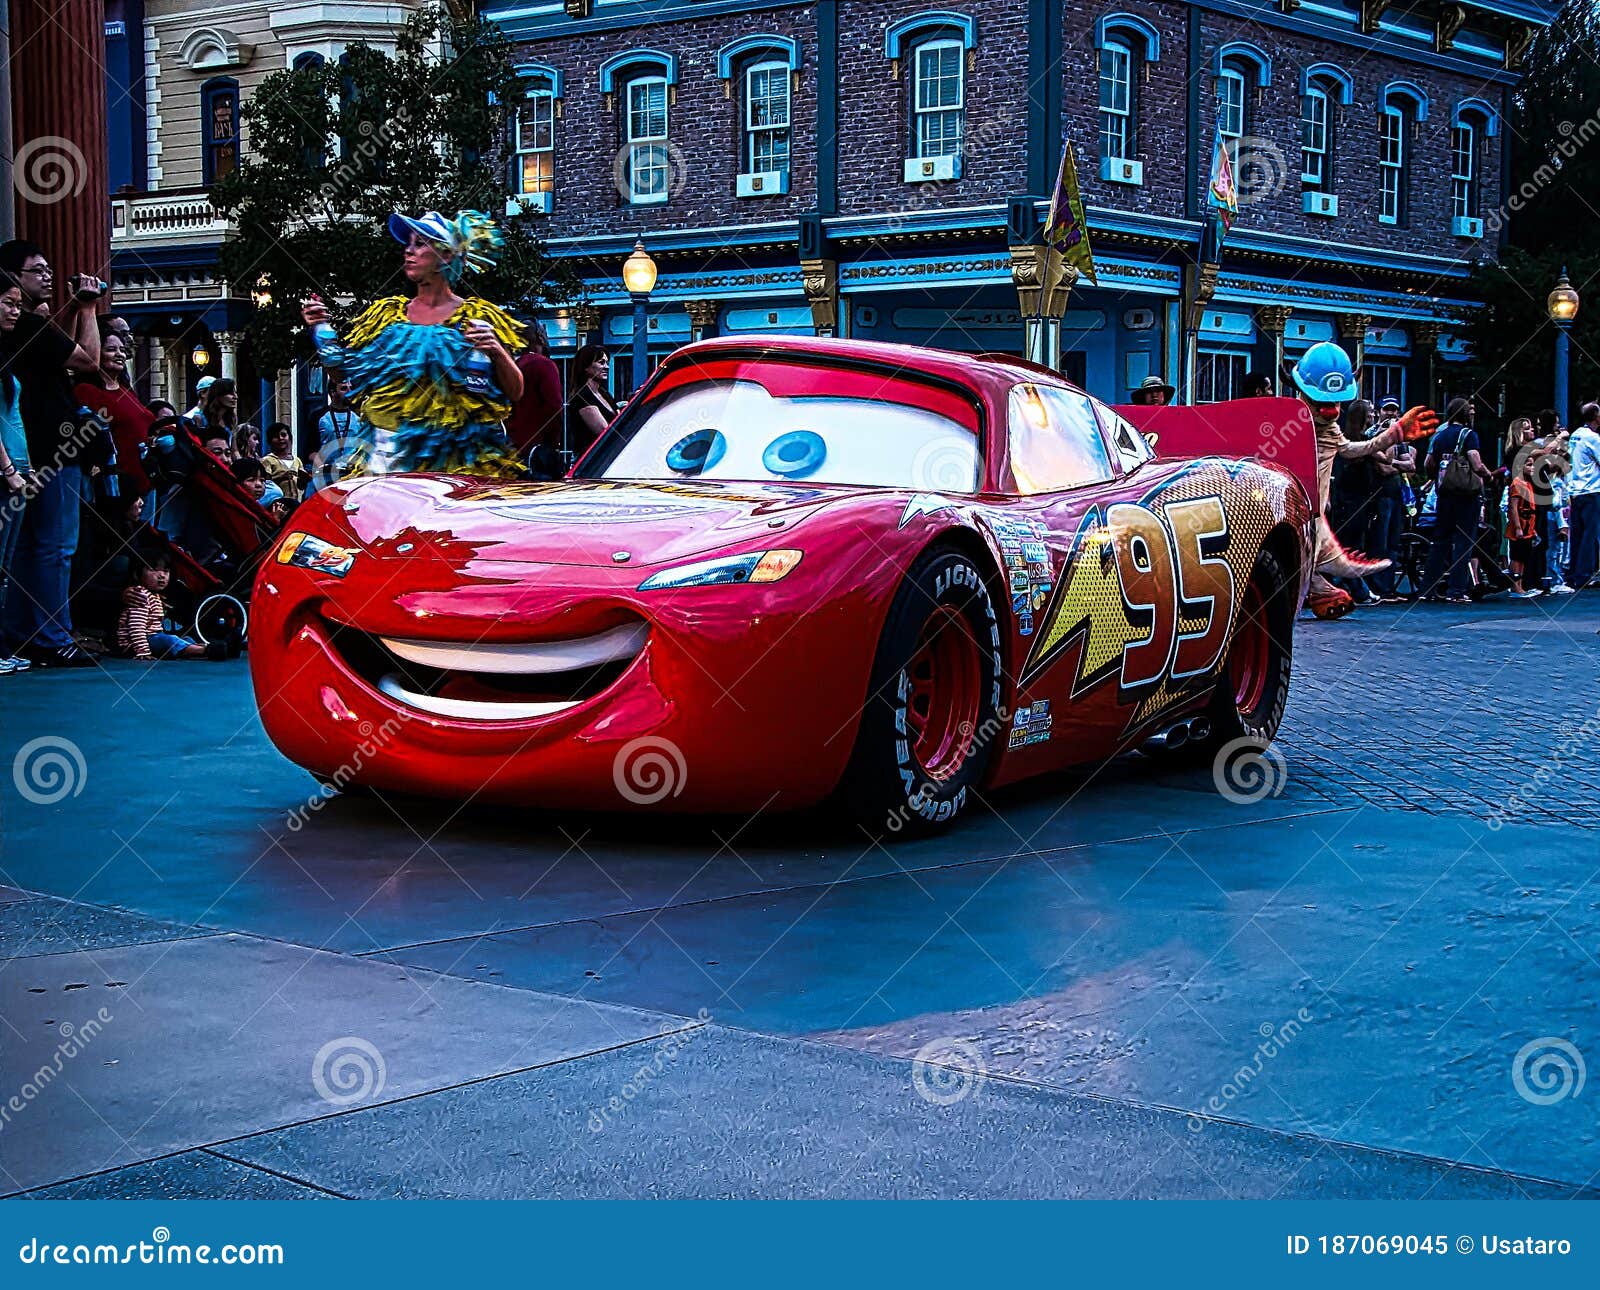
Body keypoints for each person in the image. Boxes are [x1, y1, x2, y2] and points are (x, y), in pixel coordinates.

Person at [300, 209, 525, 476]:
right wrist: (320, 331)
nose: (409, 251)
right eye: (408, 243)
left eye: (420, 244)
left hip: (456, 464)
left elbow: (515, 392)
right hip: (388, 458)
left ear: (446, 255)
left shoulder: (476, 319)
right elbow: (344, 375)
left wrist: (497, 351)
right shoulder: (386, 317)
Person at [0, 239, 105, 667]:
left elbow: (70, 362)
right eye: (37, 271)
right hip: (52, 451)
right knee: (55, 546)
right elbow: (90, 361)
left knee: (28, 548)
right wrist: (87, 308)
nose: (47, 277)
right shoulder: (27, 325)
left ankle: (26, 632)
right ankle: (51, 634)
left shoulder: (26, 327)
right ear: (13, 279)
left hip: (30, 450)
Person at [1288, 341, 1436, 619]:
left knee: (1308, 552)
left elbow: (1352, 449)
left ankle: (1318, 592)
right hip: (1292, 500)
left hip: (1316, 506)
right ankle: (1313, 594)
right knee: (1302, 553)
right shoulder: (1289, 422)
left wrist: (1393, 435)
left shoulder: (1330, 429)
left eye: (1334, 403)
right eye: (1321, 402)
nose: (1330, 410)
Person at [1419, 397, 1493, 603]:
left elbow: (1428, 463)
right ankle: (1456, 590)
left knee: (1440, 541)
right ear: (1464, 414)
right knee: (1463, 542)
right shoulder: (1468, 435)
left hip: (1445, 494)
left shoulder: (1440, 436)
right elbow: (1476, 463)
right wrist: (1488, 476)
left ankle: (1427, 589)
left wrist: (1438, 478)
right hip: (1466, 495)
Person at [74, 322, 156, 501]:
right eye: (111, 349)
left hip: (147, 478)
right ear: (96, 353)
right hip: (120, 486)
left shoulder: (126, 389)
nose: (119, 354)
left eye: (121, 349)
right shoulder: (87, 391)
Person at [0, 271, 36, 675]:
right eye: (8, 303)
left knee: (6, 568)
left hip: (18, 466)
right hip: (6, 470)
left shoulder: (6, 353)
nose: (15, 310)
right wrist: (9, 470)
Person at [117, 551, 232, 661]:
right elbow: (136, 628)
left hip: (151, 638)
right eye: (153, 570)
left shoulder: (155, 595)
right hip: (135, 644)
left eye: (166, 571)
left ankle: (214, 648)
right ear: (138, 574)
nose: (161, 575)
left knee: (184, 639)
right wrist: (143, 652)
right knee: (169, 640)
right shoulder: (140, 595)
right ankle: (207, 650)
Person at [1364, 397, 1413, 601]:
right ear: (1380, 411)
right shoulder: (1372, 435)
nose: (1391, 414)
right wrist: (1396, 462)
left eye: (1394, 411)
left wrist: (1393, 461)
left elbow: (1411, 465)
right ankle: (1377, 587)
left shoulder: (1400, 439)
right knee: (1379, 542)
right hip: (1379, 495)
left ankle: (1388, 587)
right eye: (1387, 410)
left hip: (1397, 495)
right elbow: (1382, 469)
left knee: (1393, 543)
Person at [507, 320, 564, 477]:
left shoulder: (514, 366)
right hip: (538, 453)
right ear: (540, 336)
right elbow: (554, 407)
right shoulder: (544, 365)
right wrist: (553, 443)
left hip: (514, 449)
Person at [310, 378, 372, 490]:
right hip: (327, 477)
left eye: (351, 388)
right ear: (333, 392)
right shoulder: (318, 416)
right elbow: (310, 450)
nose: (349, 392)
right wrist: (322, 466)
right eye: (344, 389)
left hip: (353, 477)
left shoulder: (360, 417)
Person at [1566, 402, 1600, 590]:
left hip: (1576, 489)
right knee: (1590, 533)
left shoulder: (1576, 435)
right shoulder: (1593, 438)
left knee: (1578, 534)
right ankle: (1585, 574)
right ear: (1595, 416)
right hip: (1591, 490)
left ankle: (1574, 573)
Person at [567, 344, 619, 456]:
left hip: (609, 455)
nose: (607, 367)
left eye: (607, 363)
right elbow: (605, 433)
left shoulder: (605, 394)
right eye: (601, 362)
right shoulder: (582, 397)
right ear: (586, 367)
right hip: (592, 461)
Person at [1506, 456, 1541, 598]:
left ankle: (1520, 585)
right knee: (1517, 557)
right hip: (1519, 526)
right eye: (1529, 465)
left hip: (1528, 526)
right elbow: (1513, 508)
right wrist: (1518, 527)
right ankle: (1515, 586)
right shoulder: (1517, 484)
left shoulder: (1528, 484)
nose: (1532, 468)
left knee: (1523, 557)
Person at [231, 456, 288, 522]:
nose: (259, 484)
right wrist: (275, 520)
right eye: (251, 480)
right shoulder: (235, 510)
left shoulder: (257, 509)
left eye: (262, 480)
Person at [261, 422, 306, 503]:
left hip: (297, 504)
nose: (280, 438)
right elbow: (266, 484)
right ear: (270, 441)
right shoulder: (267, 460)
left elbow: (301, 486)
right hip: (277, 504)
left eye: (283, 435)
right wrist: (282, 477)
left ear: (290, 438)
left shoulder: (297, 461)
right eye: (276, 436)